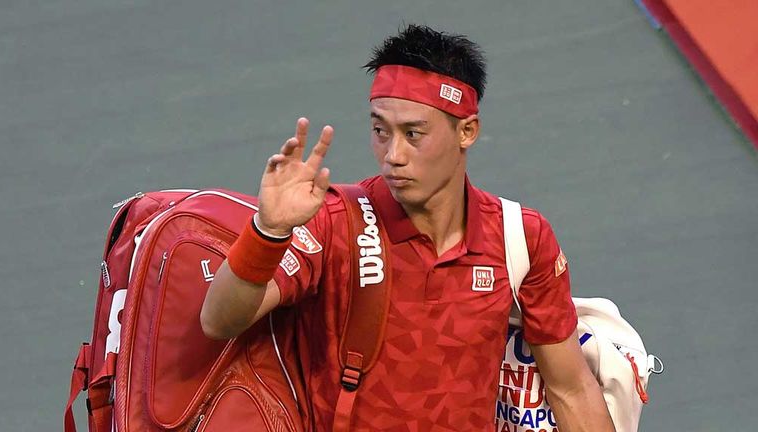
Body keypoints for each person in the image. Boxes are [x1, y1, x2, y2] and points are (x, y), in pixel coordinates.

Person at [200, 24, 615, 431]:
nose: (392, 155)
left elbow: (571, 388)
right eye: (380, 131)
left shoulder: (521, 237)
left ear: (467, 131)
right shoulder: (333, 221)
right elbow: (219, 321)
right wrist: (268, 231)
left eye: (413, 134)